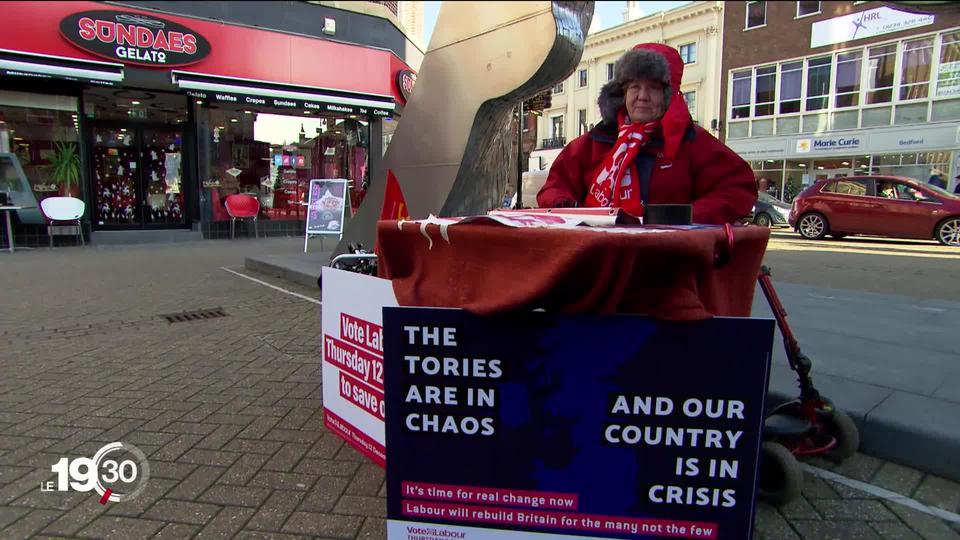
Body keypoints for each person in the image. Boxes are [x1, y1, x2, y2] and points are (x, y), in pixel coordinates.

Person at [536, 43, 756, 224]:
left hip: (669, 262)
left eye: (653, 88)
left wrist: (684, 218)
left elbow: (737, 188)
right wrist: (568, 209)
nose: (642, 96)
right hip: (598, 259)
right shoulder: (592, 143)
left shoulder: (693, 142)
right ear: (622, 93)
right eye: (634, 86)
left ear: (669, 95)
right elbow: (555, 187)